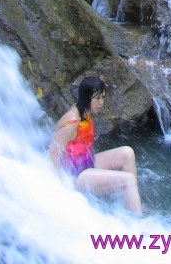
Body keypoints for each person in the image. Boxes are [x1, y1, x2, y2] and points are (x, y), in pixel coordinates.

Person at [49, 76, 142, 215]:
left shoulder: (82, 110)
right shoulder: (72, 122)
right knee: (128, 179)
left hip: (87, 162)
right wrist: (60, 190)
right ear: (87, 98)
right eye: (97, 99)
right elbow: (53, 155)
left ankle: (132, 201)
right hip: (77, 176)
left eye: (103, 98)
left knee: (127, 153)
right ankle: (139, 223)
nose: (101, 103)